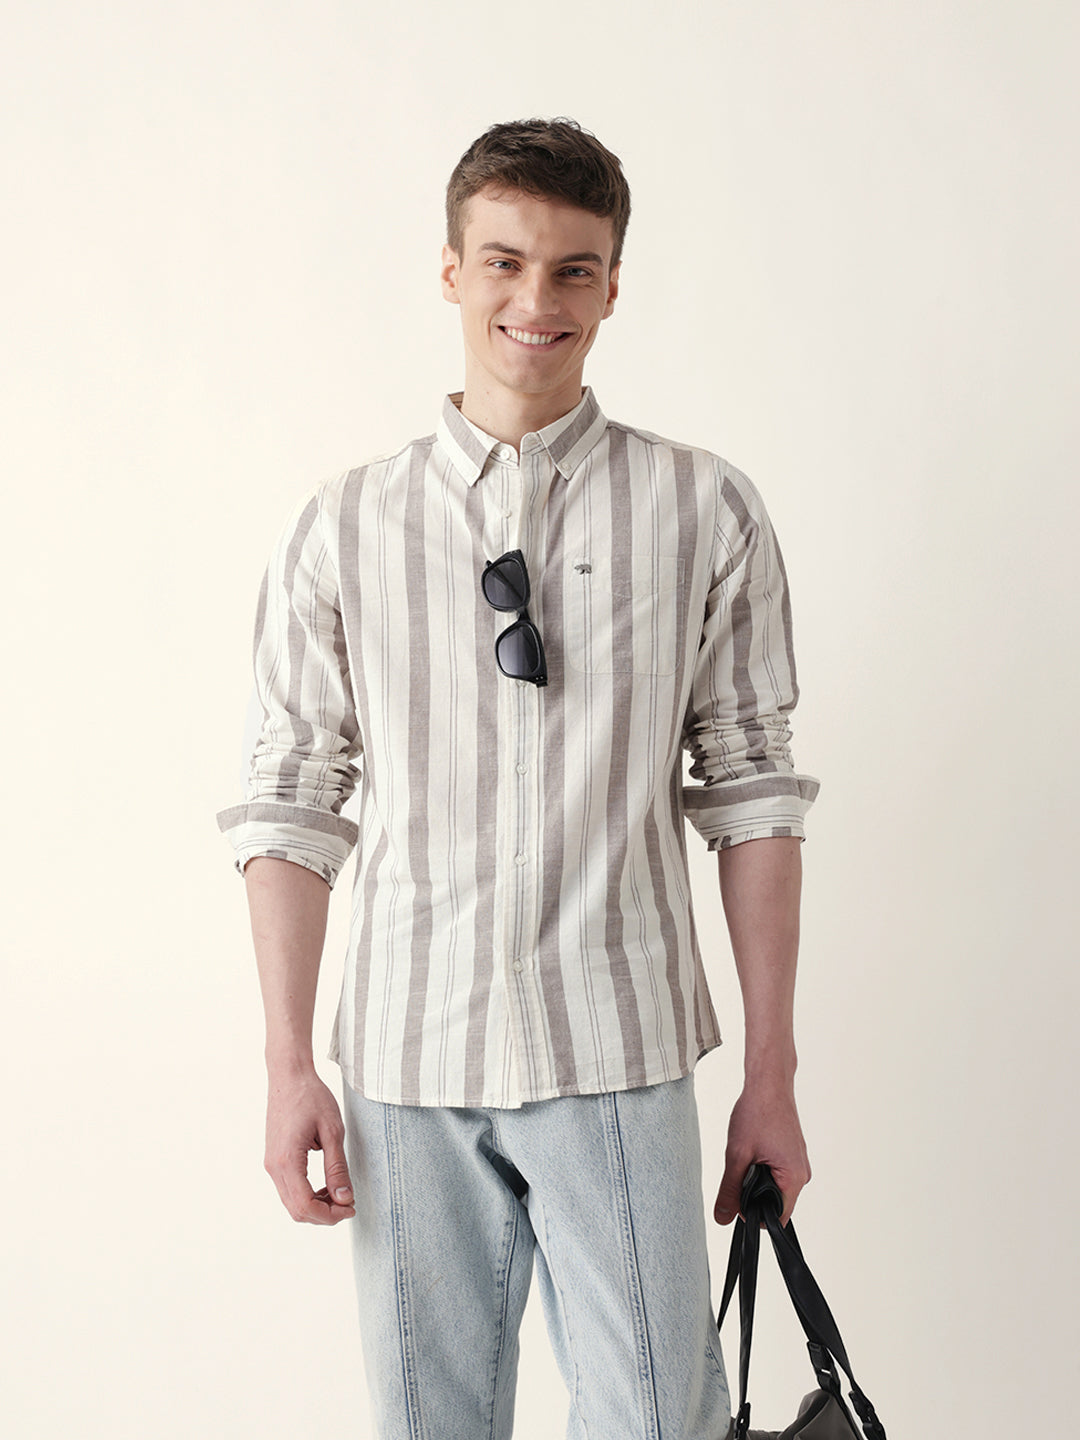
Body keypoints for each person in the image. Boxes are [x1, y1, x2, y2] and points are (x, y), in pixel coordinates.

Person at [217, 117, 819, 1440]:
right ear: (450, 271)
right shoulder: (345, 525)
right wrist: (286, 1064)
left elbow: (753, 796)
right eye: (503, 261)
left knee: (659, 1420)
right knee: (429, 1424)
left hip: (618, 1047)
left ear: (612, 286)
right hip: (404, 1059)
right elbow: (291, 804)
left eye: (572, 269)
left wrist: (770, 1074)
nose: (535, 299)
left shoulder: (702, 509)